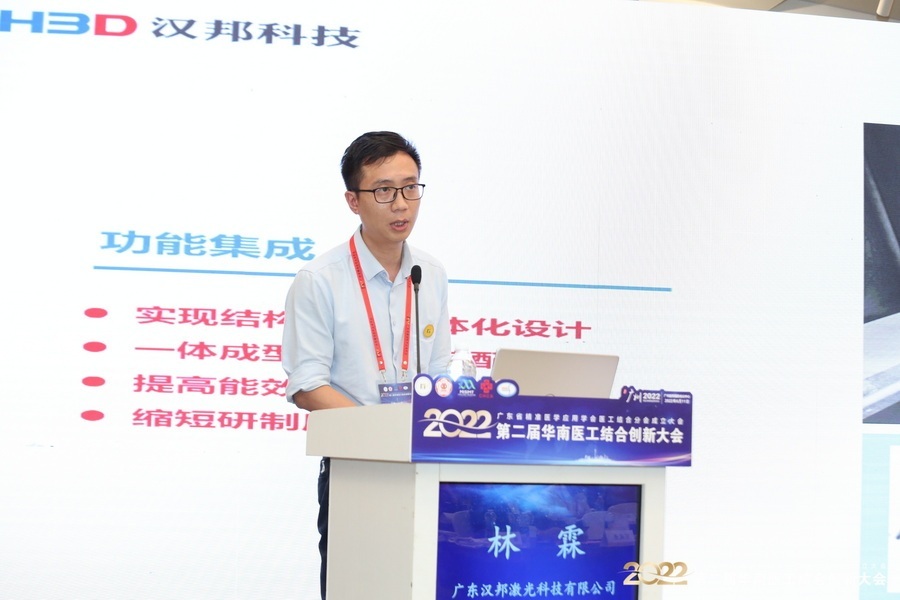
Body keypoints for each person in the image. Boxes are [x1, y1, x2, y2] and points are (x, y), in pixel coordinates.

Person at [281, 131, 452, 599]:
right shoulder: (319, 280)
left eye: (410, 187)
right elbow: (307, 385)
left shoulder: (430, 274)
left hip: (427, 467)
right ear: (353, 201)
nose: (401, 204)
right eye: (383, 190)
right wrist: (383, 432)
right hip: (356, 467)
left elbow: (438, 372)